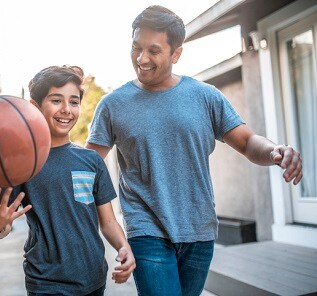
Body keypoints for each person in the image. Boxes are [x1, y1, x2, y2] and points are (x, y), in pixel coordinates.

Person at [86, 5, 303, 296]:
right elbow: (88, 167)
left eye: (153, 50)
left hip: (198, 229)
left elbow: (248, 142)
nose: (141, 58)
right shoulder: (113, 105)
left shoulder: (205, 97)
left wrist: (276, 150)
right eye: (136, 48)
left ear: (176, 54)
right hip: (145, 229)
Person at [0, 65, 135, 296]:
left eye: (74, 102)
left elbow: (107, 222)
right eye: (56, 100)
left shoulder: (91, 161)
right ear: (35, 107)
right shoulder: (21, 164)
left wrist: (123, 246)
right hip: (47, 282)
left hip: (94, 278)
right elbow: (3, 226)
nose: (67, 110)